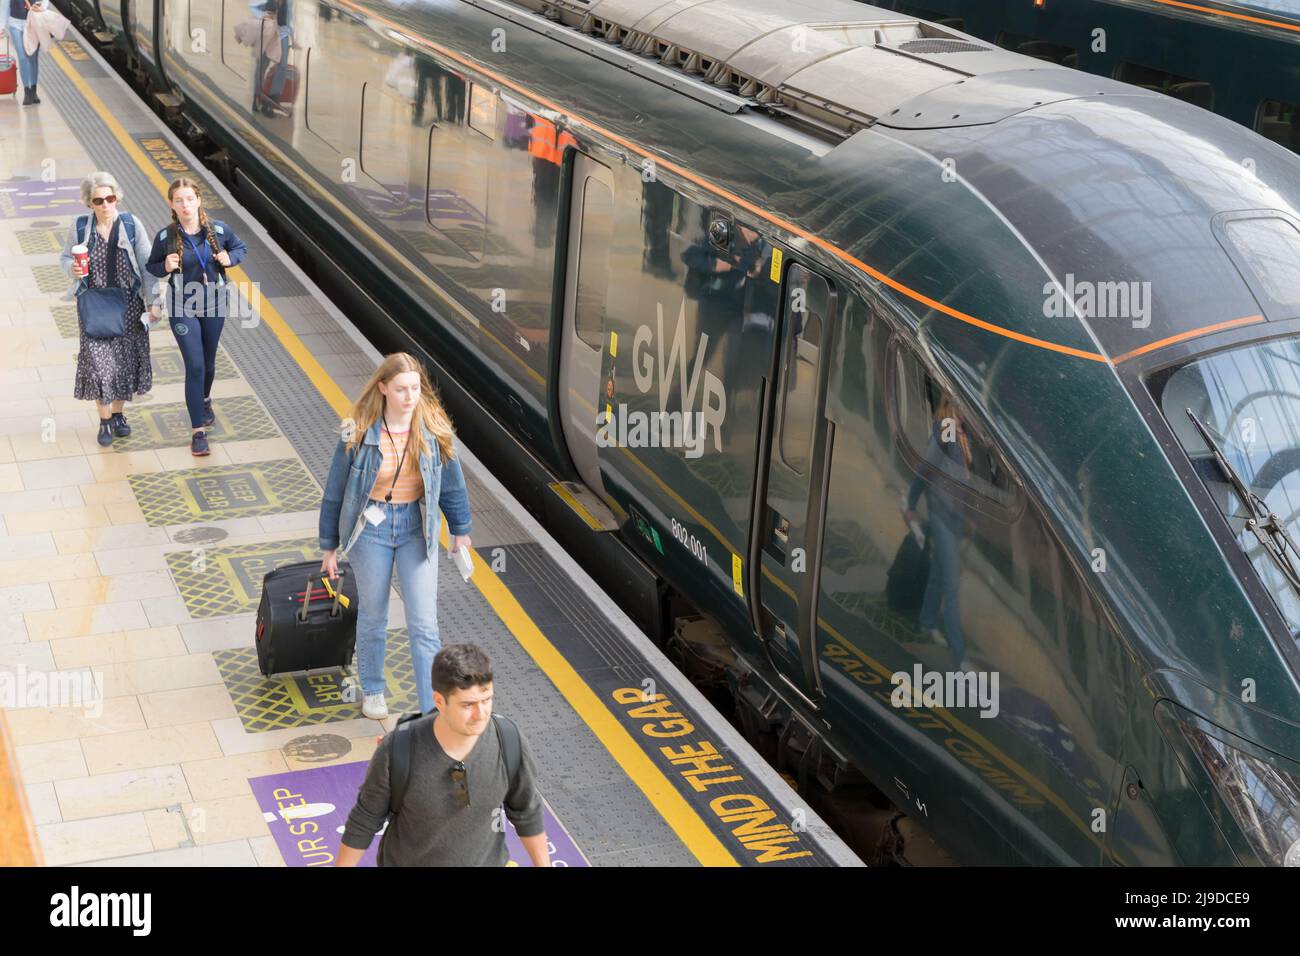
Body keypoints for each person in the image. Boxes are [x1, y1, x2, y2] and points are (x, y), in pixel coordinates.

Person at [318, 352, 473, 718]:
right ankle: (373, 688)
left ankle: (430, 708)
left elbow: (452, 486)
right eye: (402, 389)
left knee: (424, 623)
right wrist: (329, 548)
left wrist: (460, 531)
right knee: (374, 614)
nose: (410, 396)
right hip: (370, 530)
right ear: (383, 388)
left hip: (416, 528)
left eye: (415, 388)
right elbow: (335, 493)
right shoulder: (357, 432)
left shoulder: (434, 430)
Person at [337, 643, 549, 866]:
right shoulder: (399, 750)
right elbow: (365, 819)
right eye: (468, 705)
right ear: (439, 701)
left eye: (486, 700)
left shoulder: (508, 740)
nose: (481, 714)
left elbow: (527, 811)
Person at [145, 177, 247, 456]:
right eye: (179, 200)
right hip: (182, 308)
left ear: (199, 200)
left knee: (210, 362)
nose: (185, 205)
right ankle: (198, 432)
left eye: (190, 199)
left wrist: (230, 258)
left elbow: (240, 248)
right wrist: (164, 265)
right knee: (196, 366)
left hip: (214, 305)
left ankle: (204, 399)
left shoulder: (218, 230)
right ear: (172, 205)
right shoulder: (166, 237)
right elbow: (152, 267)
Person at [59, 172, 159, 447]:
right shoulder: (80, 227)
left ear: (117, 198)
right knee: (99, 365)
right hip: (93, 303)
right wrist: (72, 268)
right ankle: (104, 422)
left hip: (129, 304)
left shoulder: (131, 224)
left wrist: (154, 302)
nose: (105, 205)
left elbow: (148, 264)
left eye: (110, 199)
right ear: (89, 203)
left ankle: (118, 415)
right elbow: (65, 257)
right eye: (98, 200)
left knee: (125, 363)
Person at [903, 395, 974, 671]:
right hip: (941, 512)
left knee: (938, 572)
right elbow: (925, 468)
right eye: (965, 405)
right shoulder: (946, 427)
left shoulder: (962, 435)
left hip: (955, 515)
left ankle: (927, 622)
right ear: (954, 404)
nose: (969, 412)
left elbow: (965, 482)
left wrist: (969, 517)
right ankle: (961, 656)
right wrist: (910, 503)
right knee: (952, 584)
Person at [3, 0, 44, 105]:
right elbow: (4, 4)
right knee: (22, 57)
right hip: (15, 23)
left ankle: (34, 90)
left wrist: (41, 7)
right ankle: (27, 91)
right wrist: (1, 26)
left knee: (32, 57)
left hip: (33, 22)